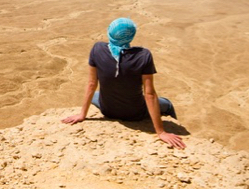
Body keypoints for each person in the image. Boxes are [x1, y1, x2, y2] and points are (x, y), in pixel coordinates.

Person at [61, 17, 186, 149]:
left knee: (97, 94)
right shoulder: (143, 55)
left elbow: (92, 84)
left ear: (110, 32)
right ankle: (173, 125)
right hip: (134, 114)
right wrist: (161, 132)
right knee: (167, 104)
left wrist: (82, 115)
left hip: (107, 110)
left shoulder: (97, 49)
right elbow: (149, 94)